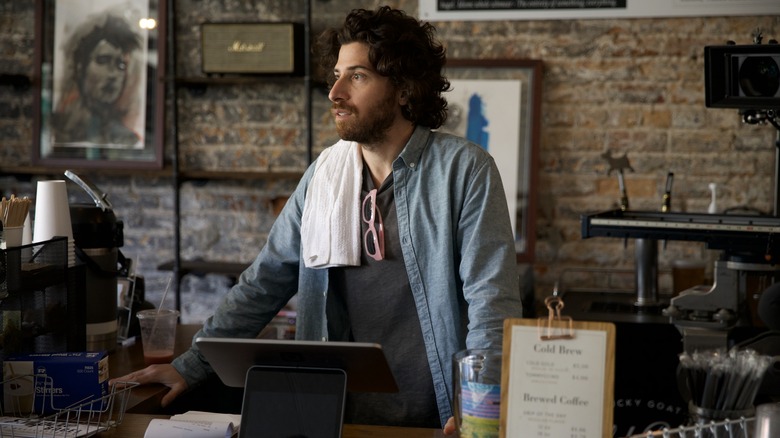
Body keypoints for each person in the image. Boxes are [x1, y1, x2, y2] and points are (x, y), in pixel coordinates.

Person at [112, 6, 522, 433]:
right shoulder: (325, 174)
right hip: (333, 416)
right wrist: (191, 365)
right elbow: (265, 280)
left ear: (403, 89)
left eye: (357, 76)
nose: (335, 92)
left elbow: (491, 302)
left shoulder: (465, 170)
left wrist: (481, 408)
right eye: (336, 76)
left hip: (440, 417)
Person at [52, 13, 143, 148]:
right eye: (103, 60)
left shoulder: (127, 138)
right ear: (80, 67)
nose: (113, 74)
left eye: (121, 65)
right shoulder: (54, 128)